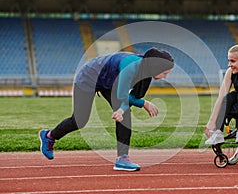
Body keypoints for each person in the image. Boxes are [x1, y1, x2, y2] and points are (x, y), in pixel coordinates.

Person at [39, 48, 174, 171]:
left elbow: (130, 98)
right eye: (165, 73)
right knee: (80, 120)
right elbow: (122, 95)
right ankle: (49, 136)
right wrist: (143, 103)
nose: (165, 77)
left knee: (125, 114)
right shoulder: (131, 67)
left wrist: (121, 110)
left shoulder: (146, 74)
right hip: (89, 77)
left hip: (109, 83)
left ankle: (122, 158)